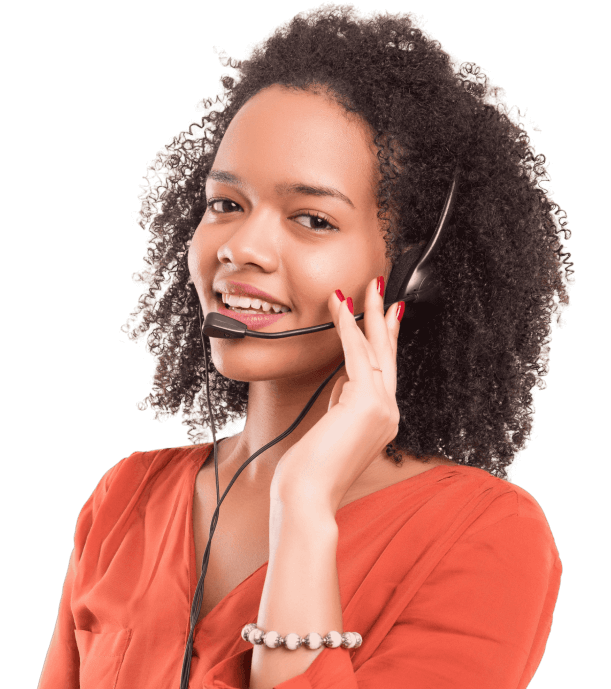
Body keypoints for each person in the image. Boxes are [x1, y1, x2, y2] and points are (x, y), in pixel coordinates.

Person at [38, 7, 568, 688]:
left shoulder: (486, 536)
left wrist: (306, 502)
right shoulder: (124, 499)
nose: (240, 248)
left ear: (416, 270)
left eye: (312, 219)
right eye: (225, 203)